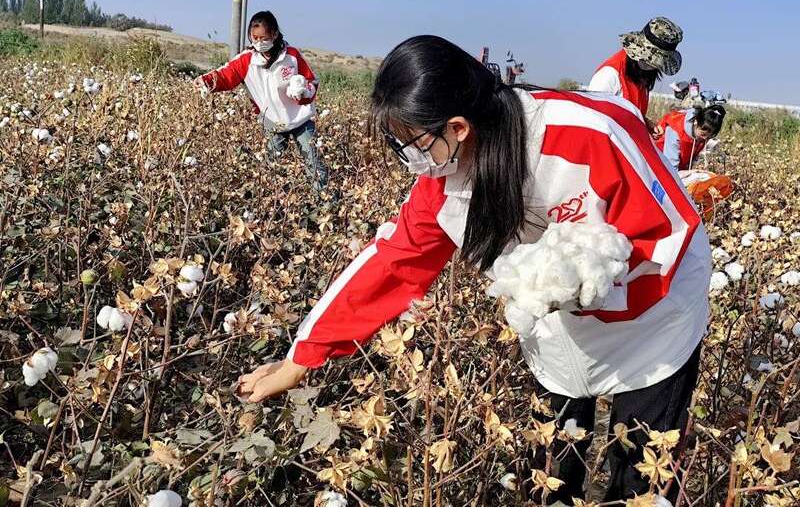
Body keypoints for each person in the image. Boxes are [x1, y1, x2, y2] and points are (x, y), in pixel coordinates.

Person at [238, 35, 711, 503]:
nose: (411, 162)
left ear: (458, 128)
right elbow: (392, 264)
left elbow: (667, 228)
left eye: (412, 144)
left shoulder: (589, 132)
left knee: (643, 471)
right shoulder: (444, 185)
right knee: (551, 462)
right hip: (561, 326)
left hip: (654, 319)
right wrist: (302, 357)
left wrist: (587, 276)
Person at [194, 11, 329, 190]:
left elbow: (312, 81)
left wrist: (304, 91)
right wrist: (205, 81)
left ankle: (324, 203)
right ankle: (279, 204)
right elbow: (226, 74)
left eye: (263, 38)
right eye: (254, 38)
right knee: (274, 168)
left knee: (314, 164)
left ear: (274, 34)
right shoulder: (247, 59)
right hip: (272, 122)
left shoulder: (292, 56)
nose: (258, 42)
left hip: (301, 120)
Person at [588, 16, 684, 135]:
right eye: (649, 61)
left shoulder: (642, 77)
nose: (651, 67)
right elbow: (591, 120)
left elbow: (629, 112)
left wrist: (644, 123)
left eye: (655, 64)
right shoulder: (610, 75)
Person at [656, 101, 726, 171]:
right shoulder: (675, 130)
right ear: (696, 122)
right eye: (703, 134)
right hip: (660, 163)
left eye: (709, 136)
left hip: (678, 168)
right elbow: (670, 166)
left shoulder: (701, 134)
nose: (705, 138)